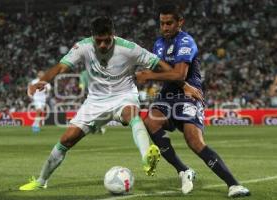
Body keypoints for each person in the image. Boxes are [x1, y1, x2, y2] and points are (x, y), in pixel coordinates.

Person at [19, 16, 202, 191]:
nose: (103, 45)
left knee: (132, 114)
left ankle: (147, 156)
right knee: (66, 139)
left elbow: (160, 64)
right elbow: (61, 66)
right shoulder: (83, 47)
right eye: (98, 41)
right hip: (95, 101)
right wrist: (43, 80)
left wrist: (184, 84)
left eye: (107, 40)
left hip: (124, 96)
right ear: (93, 37)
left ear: (113, 34)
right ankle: (41, 181)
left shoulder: (129, 49)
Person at [136, 4, 250, 197]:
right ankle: (183, 171)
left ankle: (234, 185)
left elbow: (180, 73)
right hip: (167, 97)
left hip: (188, 97)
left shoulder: (185, 41)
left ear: (180, 22)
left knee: (194, 142)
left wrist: (147, 75)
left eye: (169, 23)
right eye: (162, 23)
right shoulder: (158, 43)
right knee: (150, 121)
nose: (165, 27)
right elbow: (161, 70)